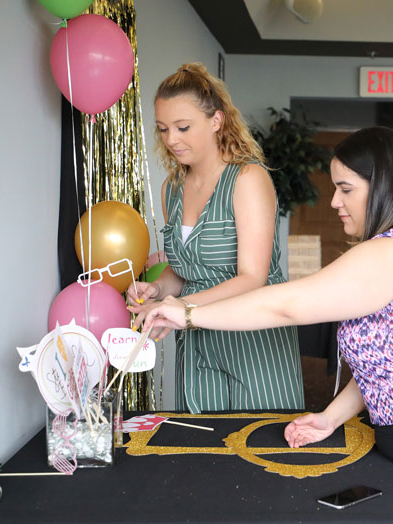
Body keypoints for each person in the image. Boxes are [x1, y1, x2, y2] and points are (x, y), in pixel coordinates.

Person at [137, 127, 393, 524]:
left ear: (381, 188)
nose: (333, 201)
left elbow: (286, 306)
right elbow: (386, 363)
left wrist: (187, 313)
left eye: (345, 189)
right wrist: (330, 418)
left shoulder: (391, 253)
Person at [126, 62, 304, 413]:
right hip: (198, 342)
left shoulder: (248, 179)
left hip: (254, 338)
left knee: (261, 449)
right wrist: (158, 290)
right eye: (163, 129)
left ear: (216, 121)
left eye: (183, 127)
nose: (171, 139)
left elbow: (252, 278)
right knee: (203, 452)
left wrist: (181, 308)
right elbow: (186, 269)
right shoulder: (171, 188)